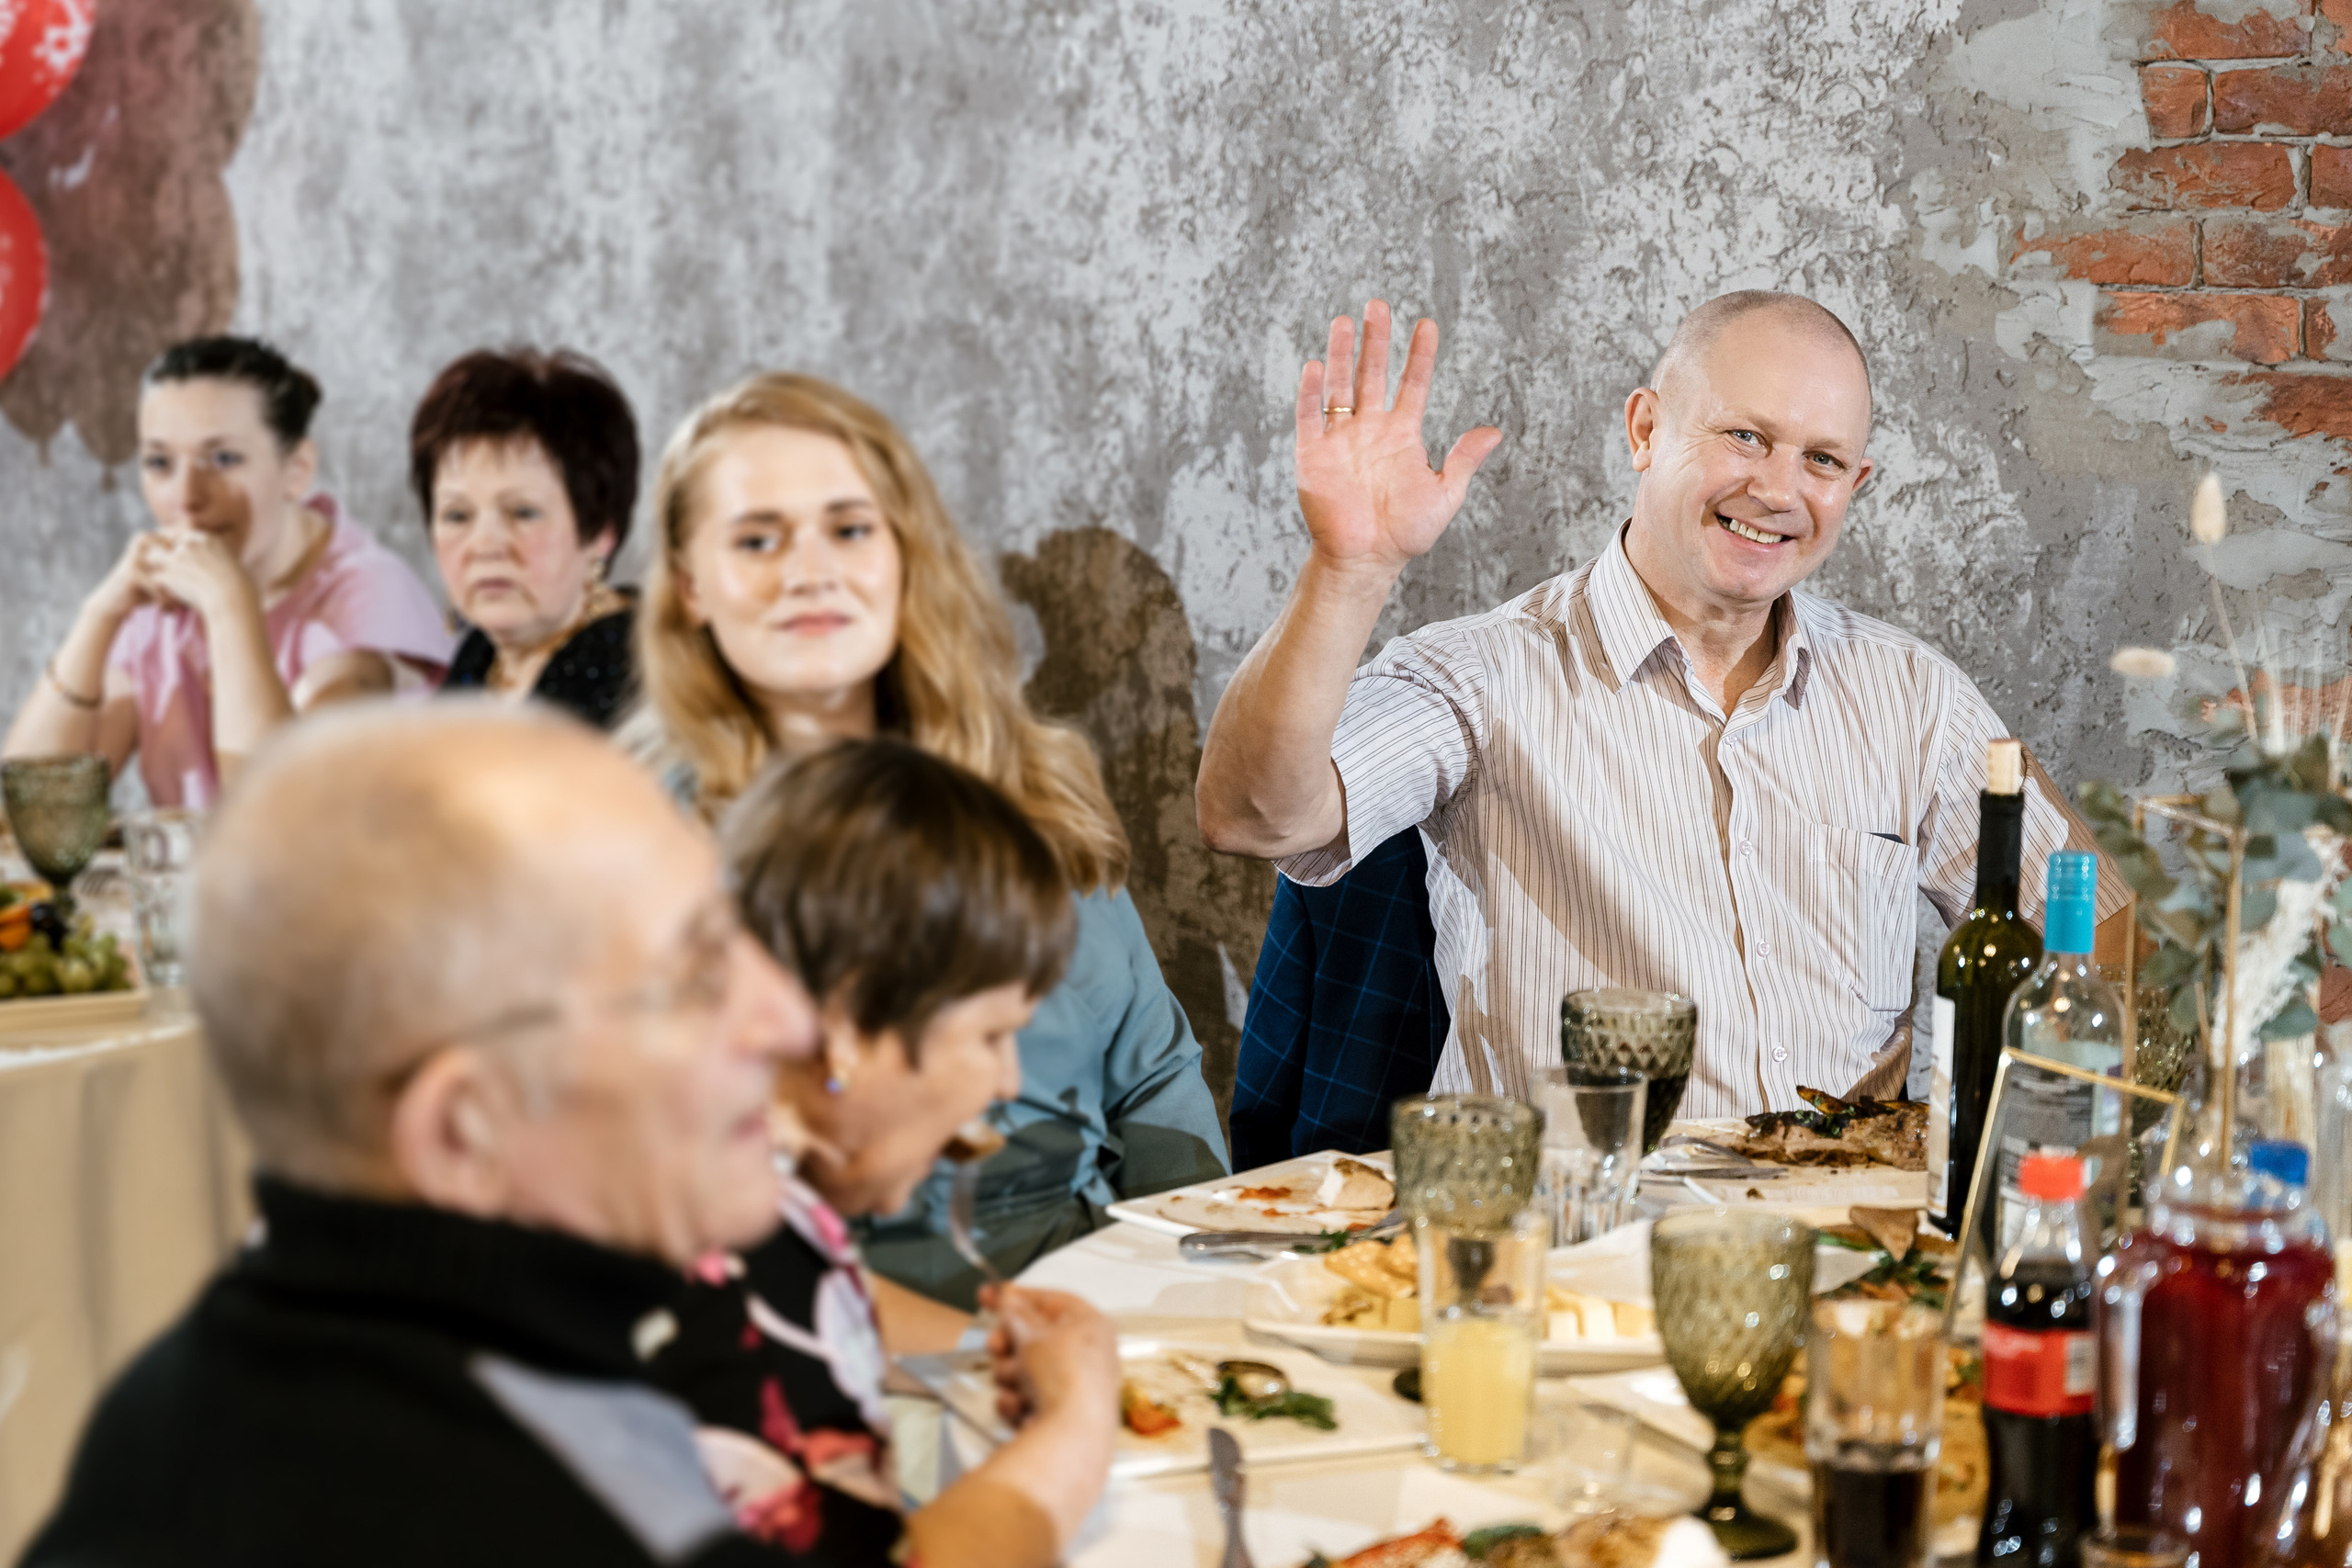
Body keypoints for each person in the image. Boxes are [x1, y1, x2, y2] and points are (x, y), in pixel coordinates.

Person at [21, 705, 1122, 1568]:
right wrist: (1072, 1438)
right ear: (467, 1129)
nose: (786, 1021)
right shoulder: (583, 1507)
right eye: (690, 973)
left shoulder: (175, 1401)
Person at [1197, 292, 2127, 1118]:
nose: (1776, 490)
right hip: (1581, 1261)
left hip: (1846, 1263)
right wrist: (1348, 571)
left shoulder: (1912, 698)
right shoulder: (1486, 675)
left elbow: (2111, 943)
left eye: (1822, 459)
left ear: (1857, 487)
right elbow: (1250, 814)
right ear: (1645, 429)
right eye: (1744, 437)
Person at [628, 372, 1227, 1306]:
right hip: (786, 1338)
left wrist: (1190, 1306)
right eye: (757, 539)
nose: (809, 570)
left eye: (849, 528)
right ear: (689, 584)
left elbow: (1151, 1080)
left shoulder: (1027, 785)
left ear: (905, 553)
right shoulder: (623, 843)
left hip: (1076, 1305)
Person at [647, 739, 1091, 1555]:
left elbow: (837, 1304)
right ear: (847, 1024)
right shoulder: (726, 1257)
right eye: (991, 1034)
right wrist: (1073, 1431)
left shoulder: (720, 1170)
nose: (1006, 1079)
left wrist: (971, 1346)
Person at [3, 336, 450, 807]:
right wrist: (98, 616)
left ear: (296, 470)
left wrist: (229, 606)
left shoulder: (367, 594)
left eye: (223, 459)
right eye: (160, 462)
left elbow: (281, 817)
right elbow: (34, 811)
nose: (187, 495)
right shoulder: (158, 605)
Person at [417, 347, 641, 728]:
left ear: (601, 531)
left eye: (523, 513)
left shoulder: (644, 674)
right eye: (457, 516)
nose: (485, 545)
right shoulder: (480, 654)